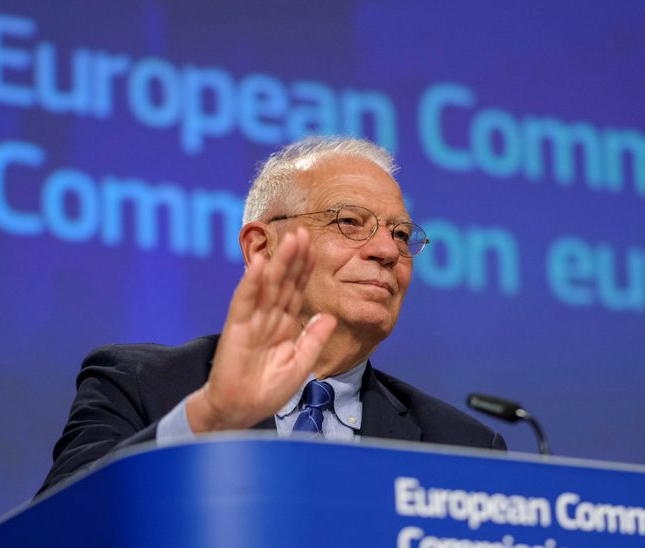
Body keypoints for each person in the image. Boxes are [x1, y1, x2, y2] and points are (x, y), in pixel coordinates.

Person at [39, 136, 505, 494]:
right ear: (261, 248)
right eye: (349, 222)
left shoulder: (463, 448)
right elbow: (55, 533)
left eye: (402, 235)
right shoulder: (137, 385)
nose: (387, 250)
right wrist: (208, 420)